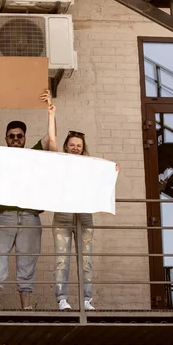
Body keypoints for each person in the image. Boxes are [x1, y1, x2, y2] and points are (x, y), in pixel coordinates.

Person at [0, 90, 57, 310]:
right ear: (6, 138)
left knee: (27, 261)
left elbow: (51, 139)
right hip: (4, 214)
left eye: (19, 136)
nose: (15, 139)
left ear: (24, 138)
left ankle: (26, 307)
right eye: (11, 136)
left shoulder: (34, 153)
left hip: (30, 216)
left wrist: (50, 111)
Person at [53, 131, 119, 311]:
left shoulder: (90, 166)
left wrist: (112, 171)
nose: (75, 148)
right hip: (63, 216)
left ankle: (86, 300)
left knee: (86, 261)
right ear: (66, 146)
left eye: (79, 146)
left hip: (84, 216)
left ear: (83, 149)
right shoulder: (58, 163)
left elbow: (102, 180)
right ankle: (62, 300)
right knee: (61, 260)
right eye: (72, 144)